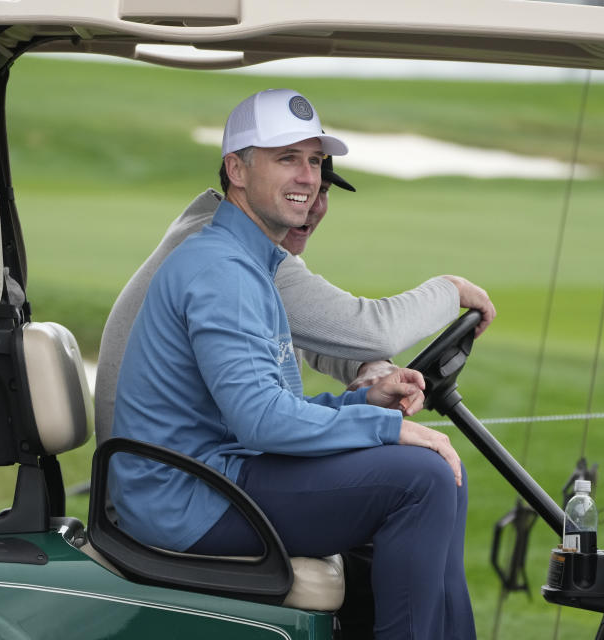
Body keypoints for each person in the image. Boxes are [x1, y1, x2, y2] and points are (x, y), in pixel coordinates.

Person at [111, 88, 477, 640]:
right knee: (422, 479)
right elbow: (262, 422)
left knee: (443, 475)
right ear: (236, 169)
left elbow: (266, 409)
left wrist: (362, 400)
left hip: (218, 472)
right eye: (287, 159)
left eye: (314, 161)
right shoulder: (223, 272)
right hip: (190, 495)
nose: (308, 177)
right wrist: (385, 427)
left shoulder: (248, 262)